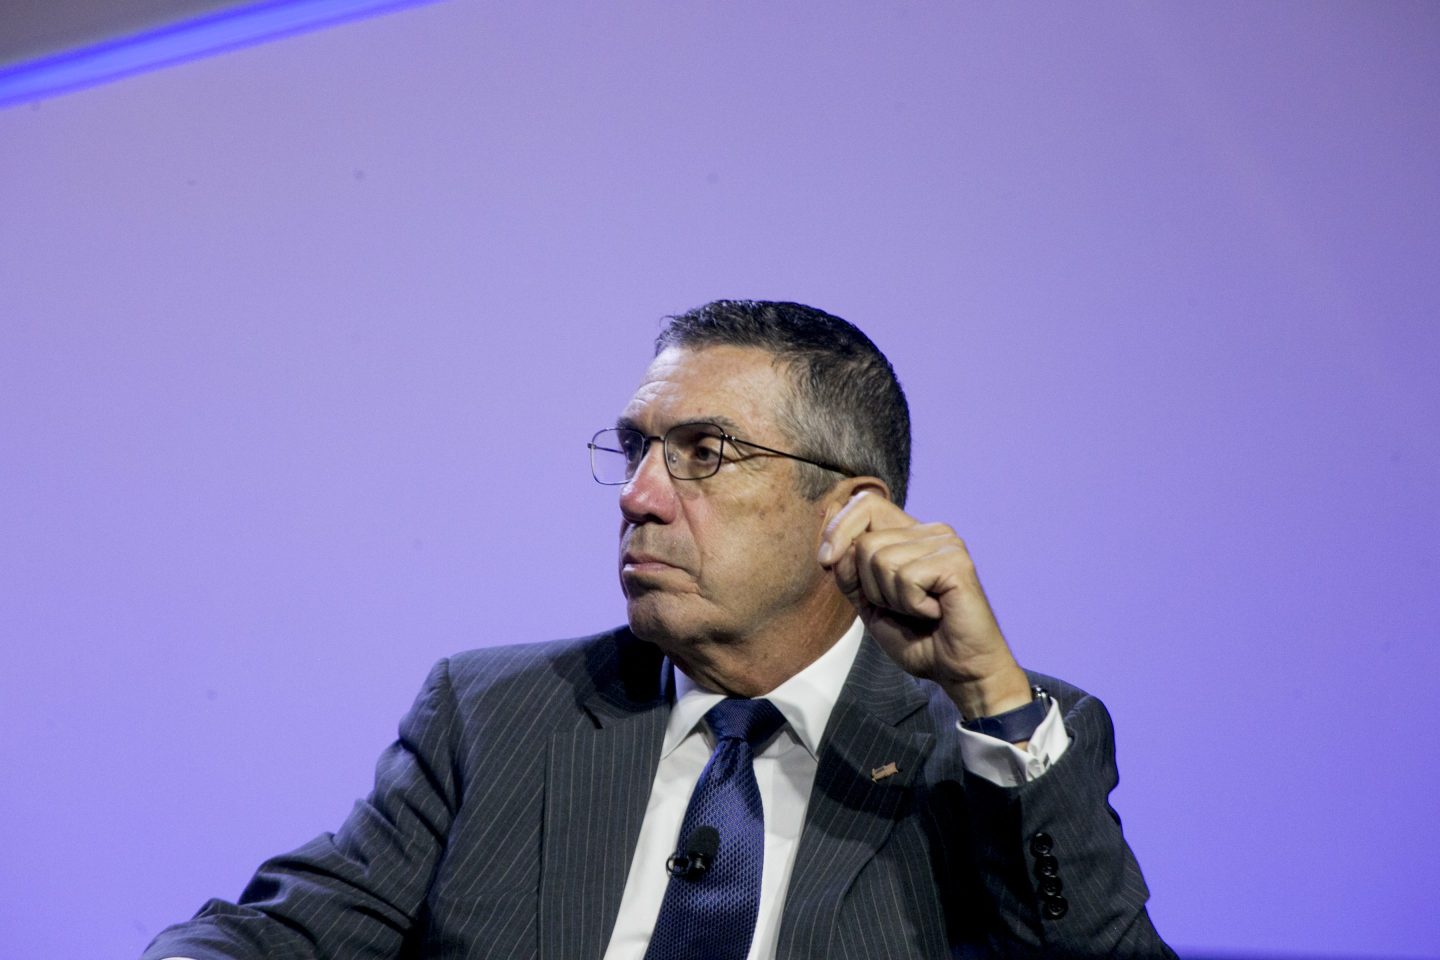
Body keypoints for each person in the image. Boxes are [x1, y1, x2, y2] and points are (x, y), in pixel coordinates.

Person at [143, 300, 1173, 959]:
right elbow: (273, 938)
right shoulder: (495, 715)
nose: (639, 495)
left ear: (851, 513)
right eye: (636, 448)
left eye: (703, 454)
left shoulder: (986, 749)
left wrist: (989, 699)